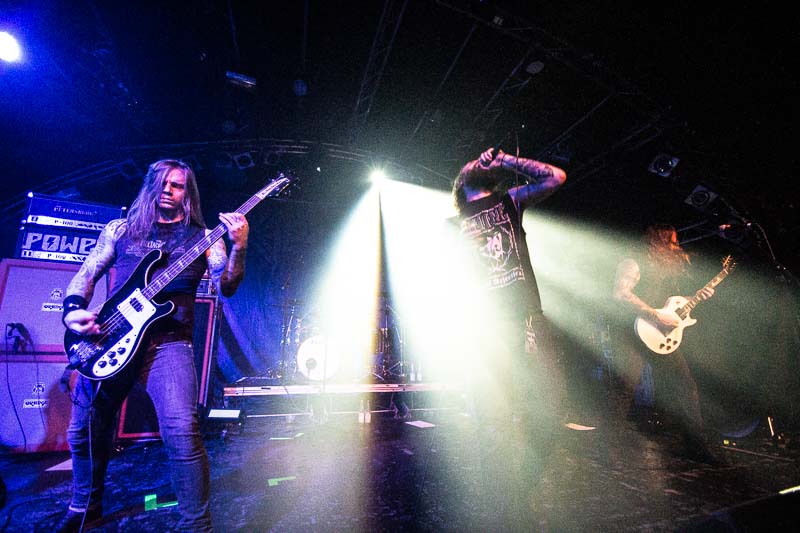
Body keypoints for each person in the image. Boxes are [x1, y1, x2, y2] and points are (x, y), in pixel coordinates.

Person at [58, 159, 249, 532]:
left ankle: (196, 525)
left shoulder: (205, 238)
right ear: (150, 185)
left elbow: (226, 286)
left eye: (176, 185)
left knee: (182, 434)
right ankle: (84, 508)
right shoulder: (120, 230)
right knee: (83, 430)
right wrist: (71, 311)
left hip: (168, 344)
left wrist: (239, 247)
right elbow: (87, 273)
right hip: (110, 336)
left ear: (186, 193)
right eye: (161, 182)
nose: (168, 189)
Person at [451, 147, 566, 528]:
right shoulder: (451, 226)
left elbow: (556, 177)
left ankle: (520, 489)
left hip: (529, 320)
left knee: (551, 410)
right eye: (469, 162)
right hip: (486, 330)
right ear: (460, 181)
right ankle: (505, 511)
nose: (477, 160)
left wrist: (508, 162)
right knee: (494, 422)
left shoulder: (510, 202)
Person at [612, 224, 715, 460]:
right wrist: (655, 315)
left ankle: (697, 447)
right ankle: (607, 445)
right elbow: (621, 293)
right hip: (632, 332)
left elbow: (671, 305)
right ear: (658, 242)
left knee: (685, 386)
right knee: (623, 387)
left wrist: (697, 297)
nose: (677, 247)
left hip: (660, 336)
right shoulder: (633, 262)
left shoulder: (670, 270)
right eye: (672, 242)